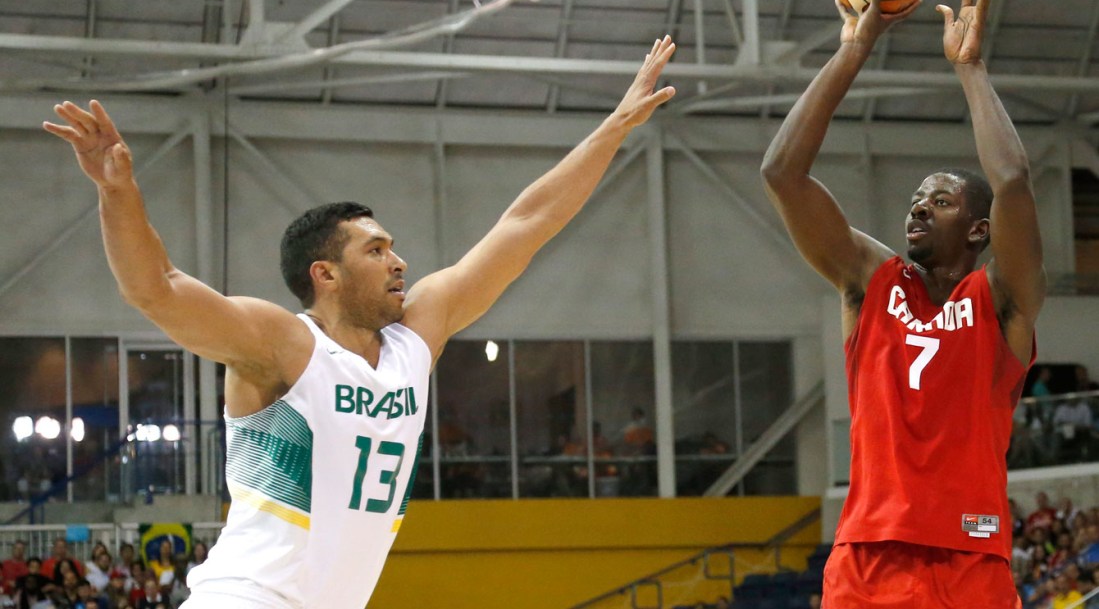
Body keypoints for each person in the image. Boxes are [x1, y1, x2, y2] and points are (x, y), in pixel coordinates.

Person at [44, 36, 677, 609]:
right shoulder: (285, 344)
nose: (399, 261)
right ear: (326, 274)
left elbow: (525, 224)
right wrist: (117, 193)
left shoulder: (415, 340)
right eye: (375, 250)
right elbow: (157, 289)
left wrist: (614, 128)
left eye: (393, 247)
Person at [761, 0, 1045, 609]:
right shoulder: (871, 279)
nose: (917, 207)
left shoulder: (1000, 301)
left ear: (977, 229)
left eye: (939, 201)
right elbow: (782, 172)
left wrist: (969, 72)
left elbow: (1012, 184)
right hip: (867, 558)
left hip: (970, 559)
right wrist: (852, 50)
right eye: (915, 199)